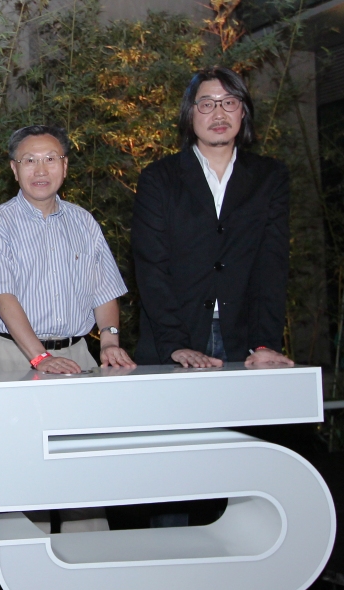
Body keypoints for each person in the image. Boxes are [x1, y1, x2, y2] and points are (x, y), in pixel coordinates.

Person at [0, 124, 134, 533]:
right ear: (14, 169)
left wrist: (109, 341)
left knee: (84, 472)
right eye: (29, 160)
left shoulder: (83, 221)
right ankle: (28, 563)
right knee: (24, 473)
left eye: (50, 158)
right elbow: (4, 298)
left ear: (65, 165)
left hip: (78, 355)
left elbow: (104, 290)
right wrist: (40, 356)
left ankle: (91, 563)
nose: (40, 169)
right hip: (15, 356)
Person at [132, 66, 294, 369]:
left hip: (243, 340)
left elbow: (271, 265)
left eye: (229, 102)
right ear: (189, 114)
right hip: (175, 337)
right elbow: (151, 268)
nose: (219, 114)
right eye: (207, 104)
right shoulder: (159, 179)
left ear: (243, 111)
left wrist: (264, 343)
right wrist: (175, 344)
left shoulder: (269, 177)